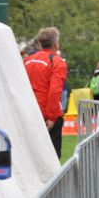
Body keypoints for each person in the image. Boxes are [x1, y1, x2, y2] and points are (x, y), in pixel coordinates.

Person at [24, 27, 68, 158]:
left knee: (31, 156)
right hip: (47, 115)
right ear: (56, 44)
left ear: (39, 43)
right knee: (52, 157)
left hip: (28, 113)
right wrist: (52, 116)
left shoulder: (27, 60)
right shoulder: (56, 61)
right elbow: (54, 91)